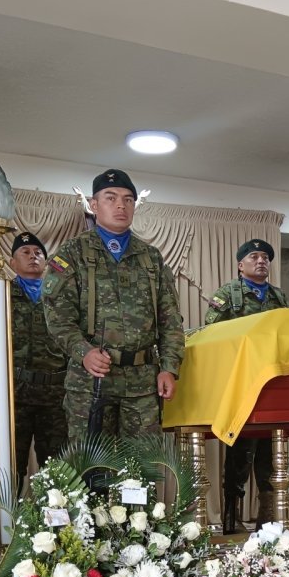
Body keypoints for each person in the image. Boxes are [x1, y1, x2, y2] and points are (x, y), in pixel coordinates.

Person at [42, 169, 185, 438]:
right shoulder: (72, 254)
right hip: (91, 382)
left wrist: (168, 367)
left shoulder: (151, 258)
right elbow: (58, 316)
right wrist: (83, 351)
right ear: (94, 205)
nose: (121, 205)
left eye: (128, 199)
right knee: (91, 469)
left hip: (143, 384)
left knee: (142, 470)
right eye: (111, 198)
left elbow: (171, 320)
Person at [204, 239, 289, 533]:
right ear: (241, 265)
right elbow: (210, 334)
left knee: (271, 451)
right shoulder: (228, 295)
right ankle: (231, 515)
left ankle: (268, 518)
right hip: (241, 384)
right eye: (254, 256)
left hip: (274, 386)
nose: (261, 261)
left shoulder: (280, 298)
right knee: (240, 451)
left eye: (266, 257)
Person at [0, 232, 69, 491]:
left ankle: (57, 530)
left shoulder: (60, 296)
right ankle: (9, 528)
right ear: (12, 263)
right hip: (15, 395)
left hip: (55, 396)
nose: (33, 257)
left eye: (38, 253)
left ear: (46, 262)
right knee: (10, 469)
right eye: (25, 253)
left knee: (57, 471)